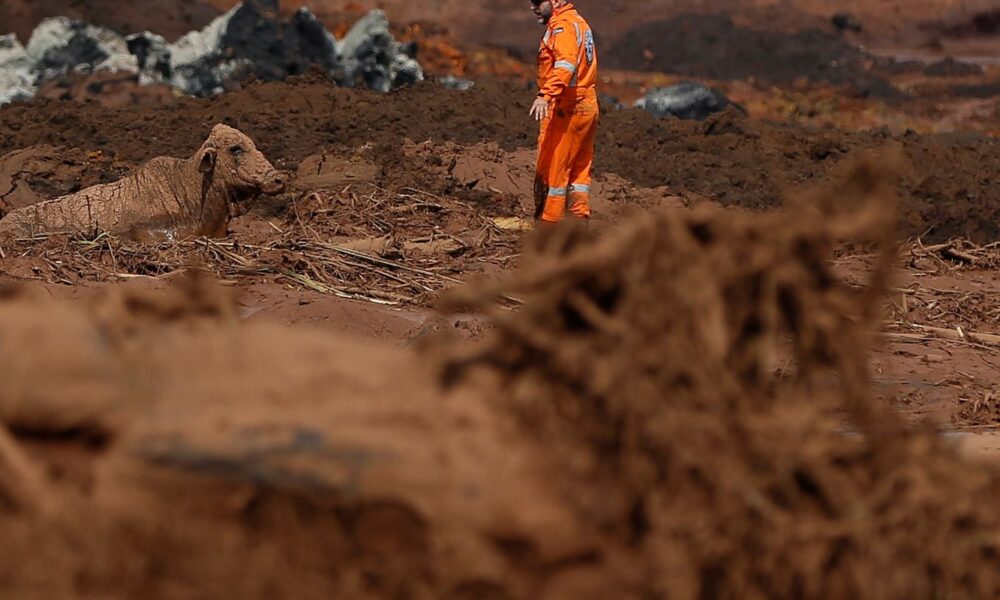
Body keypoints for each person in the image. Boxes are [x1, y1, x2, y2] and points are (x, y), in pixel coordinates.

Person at [529, 0, 598, 225]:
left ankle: (550, 225)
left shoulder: (564, 26)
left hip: (569, 106)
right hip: (586, 103)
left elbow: (565, 64)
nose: (532, 6)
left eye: (537, 1)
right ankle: (579, 221)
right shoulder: (579, 23)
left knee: (556, 168)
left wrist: (545, 95)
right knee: (579, 168)